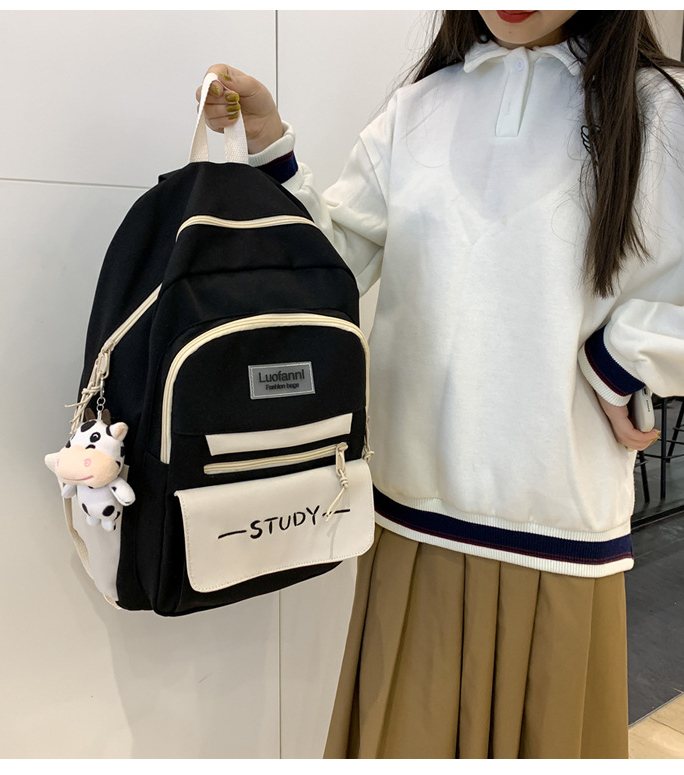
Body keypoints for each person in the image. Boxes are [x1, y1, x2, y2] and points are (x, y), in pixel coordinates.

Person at [200, 10, 684, 758]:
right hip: (411, 516)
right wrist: (268, 146)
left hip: (557, 521)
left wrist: (622, 369)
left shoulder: (652, 109)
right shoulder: (420, 108)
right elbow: (328, 268)